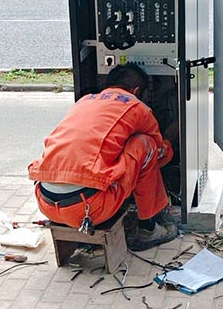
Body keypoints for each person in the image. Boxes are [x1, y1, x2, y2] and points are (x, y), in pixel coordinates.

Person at [28, 63, 177, 250]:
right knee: (145, 144)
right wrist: (170, 141)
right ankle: (148, 229)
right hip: (90, 209)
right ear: (137, 91)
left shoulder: (84, 102)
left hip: (46, 203)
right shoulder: (136, 107)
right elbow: (159, 154)